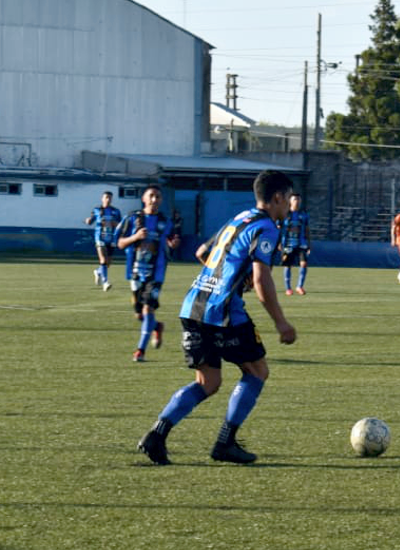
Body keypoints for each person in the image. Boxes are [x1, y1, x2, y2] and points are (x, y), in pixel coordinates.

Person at [137, 170, 297, 466]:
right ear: (277, 197)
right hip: (221, 311)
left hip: (193, 305)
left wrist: (229, 276)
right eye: (288, 198)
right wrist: (281, 323)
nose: (290, 204)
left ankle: (156, 435)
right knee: (257, 371)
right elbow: (261, 280)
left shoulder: (240, 218)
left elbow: (202, 252)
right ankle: (225, 442)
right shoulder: (267, 228)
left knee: (208, 381)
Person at [115, 185, 179, 362]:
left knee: (148, 308)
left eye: (158, 196)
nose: (154, 199)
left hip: (156, 273)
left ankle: (140, 351)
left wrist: (173, 244)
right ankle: (157, 326)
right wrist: (135, 237)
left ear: (161, 200)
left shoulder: (166, 222)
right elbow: (120, 243)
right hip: (136, 272)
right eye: (151, 196)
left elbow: (173, 240)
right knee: (140, 315)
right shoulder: (132, 218)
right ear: (143, 198)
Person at [85, 191, 122, 291]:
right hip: (100, 238)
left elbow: (121, 225)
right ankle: (105, 282)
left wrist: (115, 224)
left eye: (110, 198)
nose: (108, 199)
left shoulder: (116, 211)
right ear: (102, 199)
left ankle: (98, 272)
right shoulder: (97, 210)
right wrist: (88, 220)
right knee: (103, 260)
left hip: (111, 239)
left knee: (108, 263)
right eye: (106, 197)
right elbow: (90, 220)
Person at [280, 193, 311, 295]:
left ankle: (299, 286)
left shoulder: (303, 214)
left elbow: (307, 229)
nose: (297, 202)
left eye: (298, 200)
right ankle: (288, 288)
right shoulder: (285, 214)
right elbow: (278, 228)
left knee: (304, 263)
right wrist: (279, 242)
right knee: (288, 265)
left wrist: (309, 243)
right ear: (290, 201)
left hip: (301, 243)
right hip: (288, 244)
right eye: (295, 200)